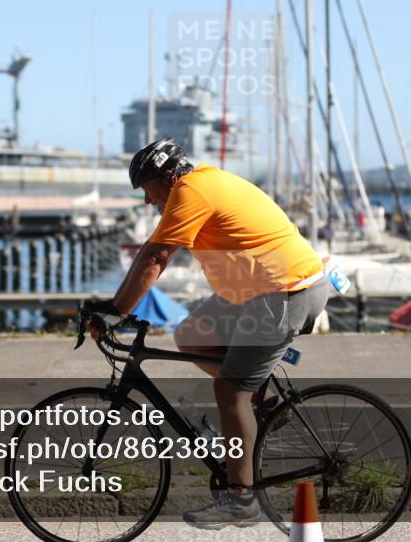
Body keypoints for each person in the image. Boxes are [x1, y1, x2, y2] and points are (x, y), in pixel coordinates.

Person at [84, 138, 329, 529]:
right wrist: (114, 306)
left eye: (147, 189)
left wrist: (117, 313)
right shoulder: (199, 184)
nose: (147, 200)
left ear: (168, 177)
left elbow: (157, 258)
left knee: (230, 391)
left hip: (285, 291)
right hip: (260, 289)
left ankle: (241, 501)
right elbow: (150, 250)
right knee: (191, 335)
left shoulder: (192, 190)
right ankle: (265, 403)